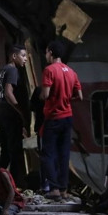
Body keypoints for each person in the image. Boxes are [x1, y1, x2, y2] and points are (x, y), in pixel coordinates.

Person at [40, 40, 83, 201]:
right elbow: (80, 96)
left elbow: (45, 94)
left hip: (53, 117)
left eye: (46, 52)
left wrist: (43, 96)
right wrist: (65, 98)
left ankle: (54, 189)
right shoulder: (71, 72)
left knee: (48, 154)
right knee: (64, 154)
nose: (46, 55)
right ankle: (64, 189)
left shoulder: (49, 70)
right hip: (68, 117)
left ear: (50, 52)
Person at [0, 43, 30, 186]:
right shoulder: (13, 70)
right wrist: (20, 111)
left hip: (1, 113)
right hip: (11, 115)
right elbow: (9, 93)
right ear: (14, 56)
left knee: (6, 151)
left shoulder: (1, 71)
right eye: (23, 56)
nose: (25, 59)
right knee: (15, 151)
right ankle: (15, 185)